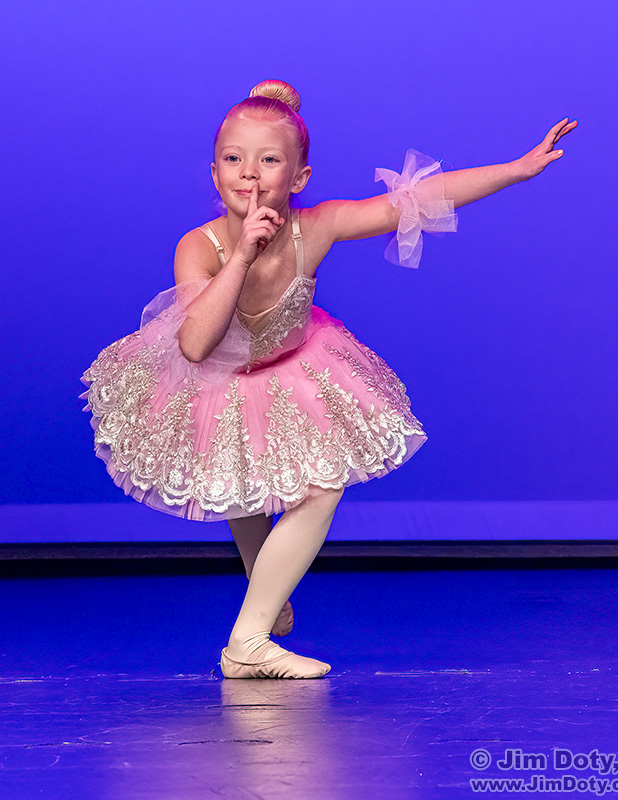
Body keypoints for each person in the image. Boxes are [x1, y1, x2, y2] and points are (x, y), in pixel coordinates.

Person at [80, 80, 577, 679]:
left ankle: (247, 638)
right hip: (215, 381)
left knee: (320, 487)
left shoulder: (314, 227)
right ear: (214, 173)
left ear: (299, 178)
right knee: (236, 481)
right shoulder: (200, 245)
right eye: (234, 159)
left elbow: (414, 200)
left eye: (269, 160)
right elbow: (194, 344)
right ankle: (263, 595)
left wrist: (516, 170)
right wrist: (242, 255)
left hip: (292, 363)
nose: (250, 173)